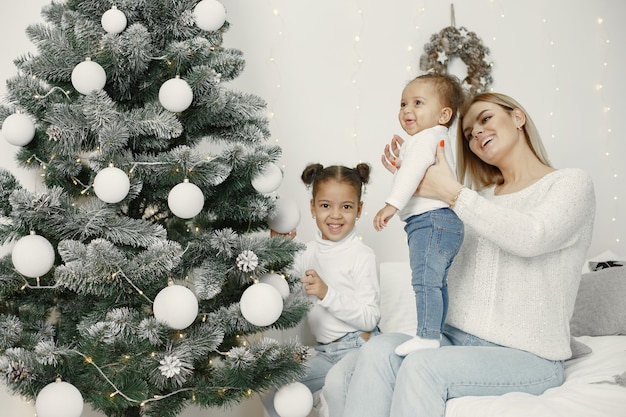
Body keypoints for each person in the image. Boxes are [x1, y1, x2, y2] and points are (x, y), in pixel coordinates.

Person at [341, 92, 596, 417]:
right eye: (467, 133)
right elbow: (439, 256)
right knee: (378, 350)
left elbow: (532, 236)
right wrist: (413, 179)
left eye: (485, 119)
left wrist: (451, 192)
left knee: (423, 368)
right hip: (457, 339)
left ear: (518, 117)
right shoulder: (477, 199)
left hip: (527, 355)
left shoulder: (570, 184)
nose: (475, 132)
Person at [262, 163, 380, 417]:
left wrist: (328, 294)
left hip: (358, 349)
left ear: (358, 210)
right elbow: (283, 291)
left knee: (338, 388)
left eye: (346, 207)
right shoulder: (307, 253)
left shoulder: (362, 256)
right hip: (324, 352)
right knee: (274, 385)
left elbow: (370, 317)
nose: (335, 215)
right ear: (313, 208)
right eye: (326, 205)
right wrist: (277, 251)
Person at [373, 73, 466, 356]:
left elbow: (413, 174)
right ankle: (436, 332)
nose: (406, 110)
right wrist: (401, 164)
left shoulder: (426, 137)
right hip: (442, 222)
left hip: (431, 222)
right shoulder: (432, 138)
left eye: (417, 103)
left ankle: (426, 335)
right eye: (403, 104)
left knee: (425, 280)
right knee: (435, 282)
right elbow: (415, 170)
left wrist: (392, 204)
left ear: (443, 114)